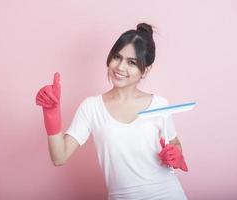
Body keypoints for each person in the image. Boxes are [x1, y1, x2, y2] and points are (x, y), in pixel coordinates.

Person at [35, 23, 188, 200]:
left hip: (167, 193)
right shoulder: (92, 107)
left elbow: (174, 142)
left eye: (132, 62)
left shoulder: (160, 104)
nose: (120, 67)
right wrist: (51, 112)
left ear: (145, 69)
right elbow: (59, 157)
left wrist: (177, 154)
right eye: (117, 57)